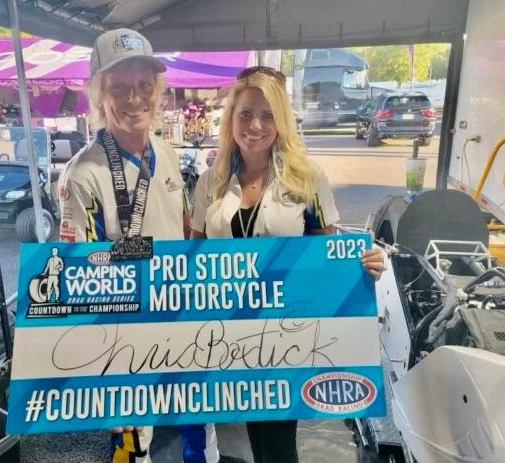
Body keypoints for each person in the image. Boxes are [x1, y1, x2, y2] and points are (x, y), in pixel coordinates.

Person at [57, 28, 237, 463]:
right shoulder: (82, 175)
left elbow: (179, 227)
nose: (133, 97)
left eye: (143, 85)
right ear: (100, 96)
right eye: (118, 86)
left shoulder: (166, 151)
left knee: (197, 426)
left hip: (181, 322)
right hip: (123, 339)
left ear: (158, 93)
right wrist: (99, 376)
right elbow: (76, 276)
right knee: (131, 446)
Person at [190, 66, 385, 463]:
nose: (256, 125)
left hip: (284, 335)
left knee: (278, 441)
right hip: (225, 334)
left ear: (281, 121)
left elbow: (325, 254)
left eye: (267, 115)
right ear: (231, 119)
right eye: (245, 114)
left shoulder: (307, 178)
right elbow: (192, 256)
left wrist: (362, 264)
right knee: (248, 434)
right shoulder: (210, 181)